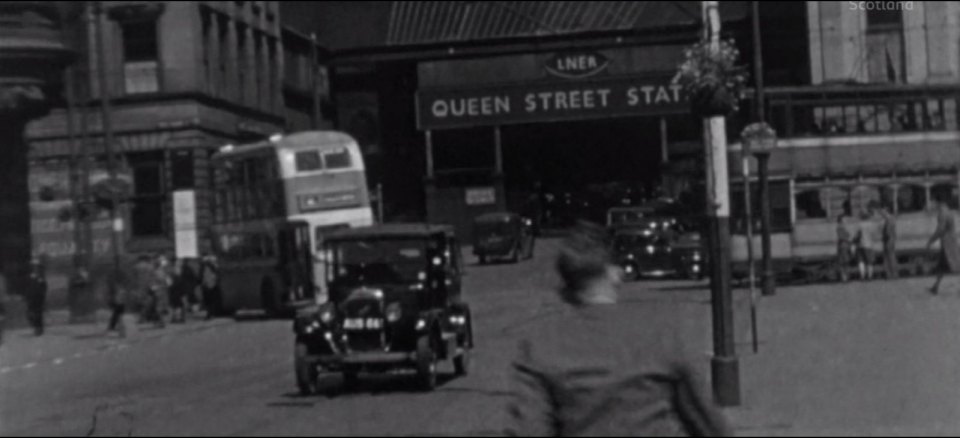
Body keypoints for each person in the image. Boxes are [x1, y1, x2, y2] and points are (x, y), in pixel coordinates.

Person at [506, 222, 731, 437]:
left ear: (565, 286)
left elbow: (529, 428)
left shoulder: (540, 347)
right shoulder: (661, 332)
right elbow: (708, 422)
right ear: (614, 273)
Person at [927, 199, 960, 295]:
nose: (931, 205)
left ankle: (935, 287)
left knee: (955, 264)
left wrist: (931, 240)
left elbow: (940, 229)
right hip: (949, 242)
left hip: (948, 244)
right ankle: (935, 287)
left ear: (936, 203)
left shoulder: (942, 213)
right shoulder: (948, 211)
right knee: (942, 266)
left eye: (931, 202)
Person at [107, 260, 139, 338]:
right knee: (118, 310)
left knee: (119, 310)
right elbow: (124, 282)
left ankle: (116, 325)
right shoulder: (118, 273)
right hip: (118, 292)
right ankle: (115, 325)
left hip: (119, 292)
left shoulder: (115, 273)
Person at [855, 205, 881, 281]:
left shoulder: (859, 225)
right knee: (869, 262)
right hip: (869, 245)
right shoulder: (872, 225)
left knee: (861, 261)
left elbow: (856, 236)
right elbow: (875, 235)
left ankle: (862, 276)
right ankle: (870, 276)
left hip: (860, 245)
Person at [25, 257, 48, 336]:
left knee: (39, 314)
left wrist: (43, 294)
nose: (34, 268)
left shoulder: (41, 276)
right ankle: (36, 327)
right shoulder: (30, 276)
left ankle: (39, 328)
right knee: (31, 313)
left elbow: (44, 286)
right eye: (33, 266)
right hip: (32, 297)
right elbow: (27, 287)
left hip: (39, 298)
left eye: (36, 267)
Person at [879, 203, 898, 280]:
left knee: (889, 258)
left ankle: (891, 274)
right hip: (891, 239)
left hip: (888, 240)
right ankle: (892, 274)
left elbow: (888, 232)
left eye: (883, 212)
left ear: (887, 211)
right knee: (891, 257)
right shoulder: (891, 219)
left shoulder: (888, 219)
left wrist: (884, 236)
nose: (881, 213)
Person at [836, 213, 853, 282]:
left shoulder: (843, 226)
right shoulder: (840, 227)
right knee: (844, 262)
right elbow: (842, 236)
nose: (846, 220)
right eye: (844, 219)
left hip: (845, 245)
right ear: (841, 220)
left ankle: (846, 276)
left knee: (845, 262)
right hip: (843, 245)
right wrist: (848, 239)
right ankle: (845, 277)